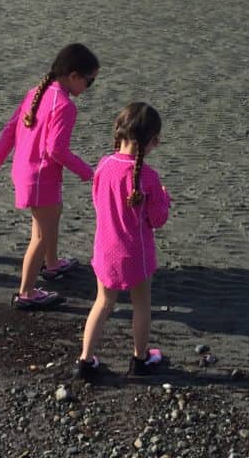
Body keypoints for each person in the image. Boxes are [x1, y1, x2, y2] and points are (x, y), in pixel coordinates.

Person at [0, 44, 99, 309]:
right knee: (41, 235)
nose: (88, 89)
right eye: (90, 82)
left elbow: (10, 129)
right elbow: (55, 150)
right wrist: (86, 171)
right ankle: (26, 293)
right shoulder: (65, 105)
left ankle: (53, 264)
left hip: (27, 171)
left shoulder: (37, 92)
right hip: (40, 176)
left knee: (52, 216)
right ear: (74, 76)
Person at [75, 102, 170, 380]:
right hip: (135, 254)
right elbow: (157, 219)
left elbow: (98, 202)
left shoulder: (104, 165)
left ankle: (85, 360)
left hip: (106, 249)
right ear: (153, 141)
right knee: (141, 304)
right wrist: (163, 199)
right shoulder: (149, 178)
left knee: (102, 303)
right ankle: (140, 359)